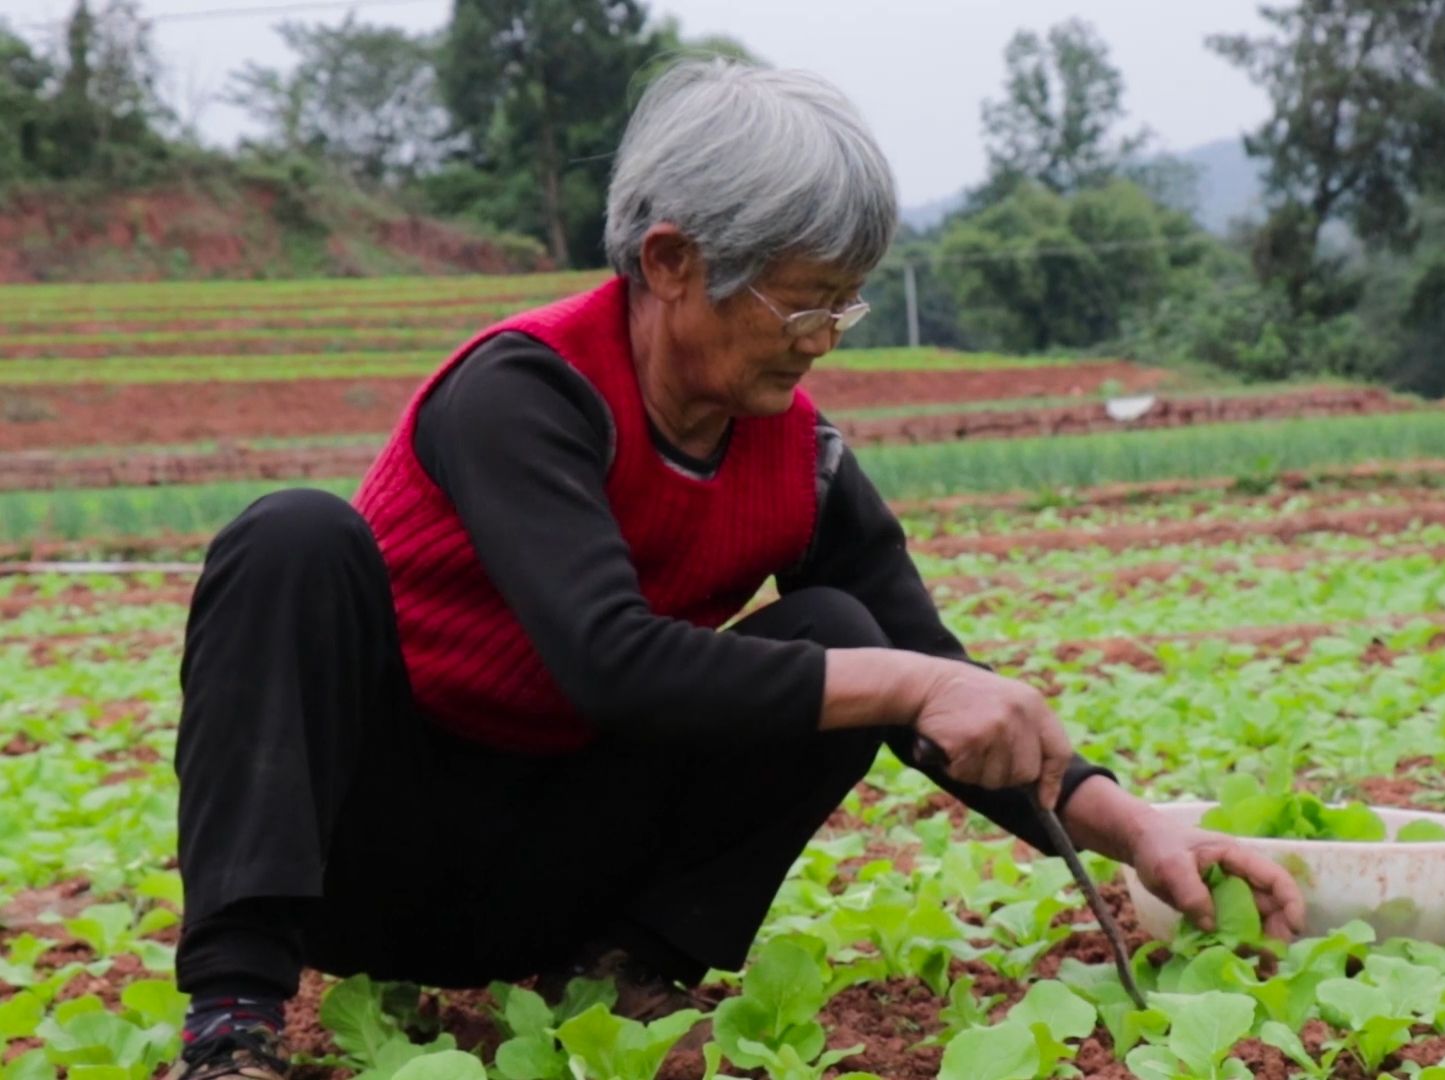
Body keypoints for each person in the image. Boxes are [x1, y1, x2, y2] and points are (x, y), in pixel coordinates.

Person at [165, 58, 1304, 1080]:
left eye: (843, 300)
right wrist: (909, 685)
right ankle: (232, 1027)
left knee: (848, 628)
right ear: (670, 261)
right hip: (374, 852)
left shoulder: (794, 455)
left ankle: (623, 971)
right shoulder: (525, 394)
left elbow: (940, 682)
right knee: (291, 537)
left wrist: (1137, 826)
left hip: (559, 875)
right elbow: (608, 660)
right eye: (803, 300)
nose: (826, 336)